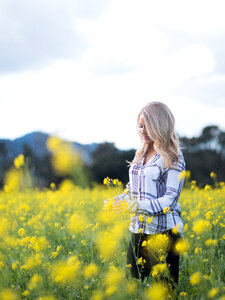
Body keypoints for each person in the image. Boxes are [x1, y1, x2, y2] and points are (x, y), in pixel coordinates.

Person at [104, 101, 185, 288]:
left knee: (164, 290)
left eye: (148, 125)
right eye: (140, 125)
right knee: (132, 286)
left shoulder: (173, 156)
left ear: (160, 125)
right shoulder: (140, 153)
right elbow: (132, 189)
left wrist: (136, 205)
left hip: (164, 233)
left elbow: (170, 201)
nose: (143, 130)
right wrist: (119, 200)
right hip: (139, 229)